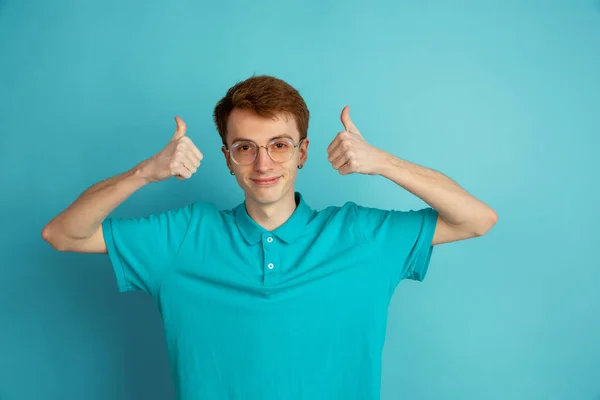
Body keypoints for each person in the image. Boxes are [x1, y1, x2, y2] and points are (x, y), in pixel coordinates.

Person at [42, 75, 497, 400]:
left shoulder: (360, 234)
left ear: (302, 152)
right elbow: (62, 234)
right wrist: (144, 173)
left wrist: (383, 163)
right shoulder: (183, 236)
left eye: (279, 144)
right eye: (246, 148)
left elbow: (475, 219)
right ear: (227, 157)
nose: (263, 164)